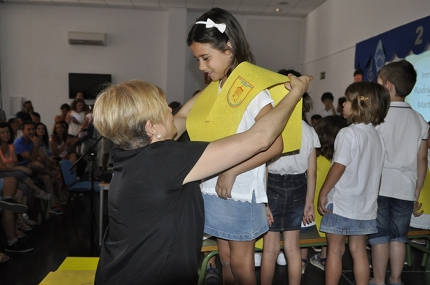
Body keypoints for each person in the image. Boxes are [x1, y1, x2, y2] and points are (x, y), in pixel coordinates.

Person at [93, 75, 312, 284]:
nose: (171, 109)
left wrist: (224, 79)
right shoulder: (165, 160)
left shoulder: (130, 154)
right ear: (151, 128)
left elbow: (184, 116)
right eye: (164, 108)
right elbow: (261, 138)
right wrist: (296, 92)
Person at [174, 8, 303, 285]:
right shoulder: (216, 89)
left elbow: (274, 144)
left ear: (229, 48)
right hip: (213, 189)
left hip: (239, 191)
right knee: (225, 259)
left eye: (205, 58)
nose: (200, 67)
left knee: (242, 264)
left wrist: (232, 171)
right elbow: (182, 119)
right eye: (197, 59)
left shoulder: (253, 89)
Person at [318, 82, 390, 285]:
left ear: (359, 105)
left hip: (341, 204)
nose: (342, 105)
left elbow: (338, 167)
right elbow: (378, 173)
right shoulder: (377, 136)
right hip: (365, 206)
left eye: (347, 101)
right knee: (358, 251)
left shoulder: (348, 133)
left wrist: (324, 192)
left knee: (334, 250)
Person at [369, 60, 429, 285]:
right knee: (398, 237)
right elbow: (422, 158)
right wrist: (417, 190)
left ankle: (378, 280)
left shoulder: (378, 117)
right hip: (406, 188)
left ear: (387, 86)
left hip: (380, 186)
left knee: (379, 236)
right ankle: (396, 279)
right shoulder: (420, 120)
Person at [260, 119, 319, 285]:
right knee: (293, 248)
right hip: (299, 185)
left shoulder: (274, 125)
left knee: (270, 249)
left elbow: (264, 167)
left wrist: (264, 200)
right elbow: (312, 171)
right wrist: (309, 201)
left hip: (272, 184)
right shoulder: (308, 130)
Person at [309, 115, 349, 271]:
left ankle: (302, 261)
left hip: (311, 221)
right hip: (336, 221)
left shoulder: (313, 161)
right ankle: (324, 257)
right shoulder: (342, 165)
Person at [14, 121, 63, 215]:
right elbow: (31, 159)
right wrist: (35, 145)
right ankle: (52, 176)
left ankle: (53, 204)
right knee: (37, 164)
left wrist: (53, 168)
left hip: (35, 171)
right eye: (28, 129)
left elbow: (44, 157)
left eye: (32, 129)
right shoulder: (19, 143)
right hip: (23, 169)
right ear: (23, 131)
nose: (31, 131)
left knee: (46, 177)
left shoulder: (33, 140)